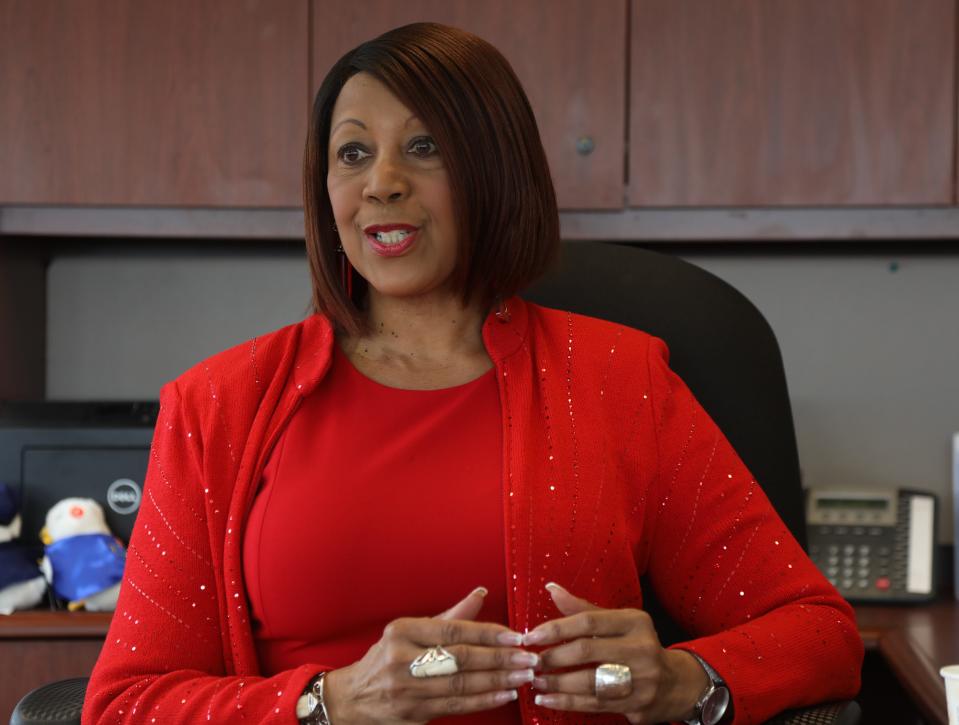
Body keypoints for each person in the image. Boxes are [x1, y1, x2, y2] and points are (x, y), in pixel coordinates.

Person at [83, 22, 863, 725]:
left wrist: (683, 678)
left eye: (424, 147)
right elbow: (126, 704)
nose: (381, 181)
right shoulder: (218, 403)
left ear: (494, 171)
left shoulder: (618, 378)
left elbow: (818, 630)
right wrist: (331, 702)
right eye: (352, 152)